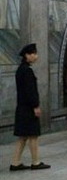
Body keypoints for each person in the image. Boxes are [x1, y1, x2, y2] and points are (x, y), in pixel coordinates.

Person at [10, 43, 50, 171]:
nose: (36, 56)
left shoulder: (21, 69)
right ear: (27, 55)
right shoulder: (27, 71)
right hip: (28, 108)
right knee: (33, 135)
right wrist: (35, 106)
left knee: (23, 136)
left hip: (22, 107)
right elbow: (30, 91)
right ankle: (35, 162)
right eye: (33, 53)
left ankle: (15, 162)